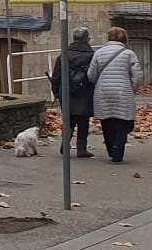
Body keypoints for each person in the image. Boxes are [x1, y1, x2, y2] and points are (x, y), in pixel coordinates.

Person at [87, 27, 143, 163]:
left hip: (103, 91)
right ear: (124, 39)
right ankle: (119, 148)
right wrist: (133, 89)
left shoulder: (99, 53)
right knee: (124, 122)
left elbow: (91, 75)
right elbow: (137, 75)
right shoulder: (129, 54)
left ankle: (111, 149)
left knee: (107, 121)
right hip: (123, 91)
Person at [49, 26, 96, 158]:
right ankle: (81, 149)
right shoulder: (92, 55)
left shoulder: (64, 55)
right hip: (86, 93)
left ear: (74, 39)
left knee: (68, 120)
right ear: (87, 39)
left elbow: (56, 76)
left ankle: (65, 143)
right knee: (83, 121)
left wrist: (56, 92)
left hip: (67, 92)